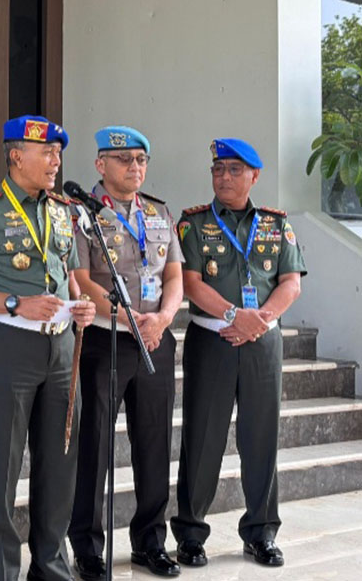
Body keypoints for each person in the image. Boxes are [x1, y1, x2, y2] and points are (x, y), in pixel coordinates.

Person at [0, 115, 96, 581]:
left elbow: (69, 274)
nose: (55, 161)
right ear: (16, 156)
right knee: (4, 465)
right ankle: (2, 571)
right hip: (11, 344)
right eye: (46, 152)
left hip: (61, 348)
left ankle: (50, 565)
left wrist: (81, 304)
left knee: (60, 462)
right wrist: (14, 303)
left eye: (58, 153)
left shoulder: (63, 210)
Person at [170, 138, 306, 568]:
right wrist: (234, 314)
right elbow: (190, 283)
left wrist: (260, 319)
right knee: (202, 438)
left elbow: (291, 282)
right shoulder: (194, 223)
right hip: (213, 339)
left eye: (233, 170)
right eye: (218, 169)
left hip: (262, 342)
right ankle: (191, 535)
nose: (223, 177)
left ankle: (261, 532)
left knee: (262, 438)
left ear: (254, 176)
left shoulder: (275, 225)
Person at [67, 127, 183, 580]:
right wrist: (128, 316)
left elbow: (173, 275)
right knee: (93, 445)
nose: (134, 167)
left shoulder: (158, 211)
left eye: (140, 159)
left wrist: (163, 318)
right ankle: (87, 547)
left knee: (154, 442)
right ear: (101, 165)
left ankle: (150, 541)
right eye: (124, 159)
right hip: (105, 339)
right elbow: (81, 279)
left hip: (154, 338)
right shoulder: (81, 213)